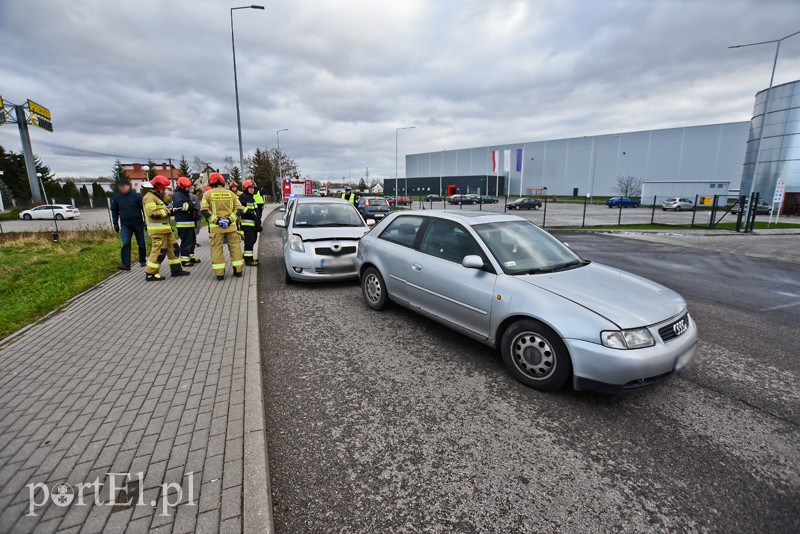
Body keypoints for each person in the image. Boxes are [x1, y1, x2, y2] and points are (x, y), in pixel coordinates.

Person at [142, 176, 190, 281]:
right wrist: (168, 211)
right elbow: (153, 213)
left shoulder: (156, 197)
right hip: (158, 231)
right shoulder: (149, 197)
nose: (164, 191)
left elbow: (160, 211)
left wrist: (170, 211)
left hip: (166, 230)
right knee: (159, 251)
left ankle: (176, 270)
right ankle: (151, 273)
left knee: (174, 249)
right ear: (156, 187)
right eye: (163, 188)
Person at [202, 172, 244, 281]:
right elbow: (239, 209)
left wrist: (217, 221)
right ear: (223, 182)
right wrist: (230, 220)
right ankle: (238, 271)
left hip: (216, 229)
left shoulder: (207, 194)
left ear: (211, 183)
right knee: (235, 248)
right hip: (231, 227)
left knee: (217, 250)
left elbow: (204, 210)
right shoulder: (231, 194)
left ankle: (220, 274)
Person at [110, 178, 146, 270]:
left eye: (124, 186)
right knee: (126, 243)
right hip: (125, 224)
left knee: (141, 243)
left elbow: (144, 209)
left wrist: (146, 221)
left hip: (138, 223)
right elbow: (114, 210)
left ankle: (142, 260)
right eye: (120, 187)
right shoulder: (117, 198)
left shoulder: (137, 196)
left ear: (128, 186)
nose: (122, 188)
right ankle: (126, 264)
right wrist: (115, 223)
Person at [173, 177, 200, 267]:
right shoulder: (177, 195)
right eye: (187, 187)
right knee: (186, 242)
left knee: (192, 241)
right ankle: (184, 260)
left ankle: (190, 256)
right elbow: (181, 206)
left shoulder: (184, 194)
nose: (189, 188)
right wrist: (191, 206)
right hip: (183, 223)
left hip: (189, 222)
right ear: (183, 187)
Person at [238, 179, 261, 266]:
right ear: (246, 188)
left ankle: (247, 256)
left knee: (253, 240)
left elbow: (256, 211)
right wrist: (249, 212)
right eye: (250, 188)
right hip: (247, 224)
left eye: (253, 188)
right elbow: (240, 207)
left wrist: (258, 222)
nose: (252, 189)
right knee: (249, 241)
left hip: (253, 224)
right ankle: (248, 260)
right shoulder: (243, 197)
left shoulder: (251, 197)